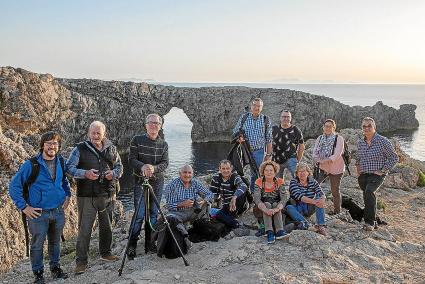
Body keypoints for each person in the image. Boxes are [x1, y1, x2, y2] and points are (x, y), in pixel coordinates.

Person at [9, 131, 70, 284]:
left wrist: (67, 195)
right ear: (43, 145)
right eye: (48, 143)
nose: (52, 146)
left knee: (55, 242)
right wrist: (24, 207)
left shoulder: (61, 162)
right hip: (38, 214)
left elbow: (64, 181)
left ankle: (56, 269)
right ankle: (38, 274)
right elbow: (14, 186)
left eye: (55, 143)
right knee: (37, 245)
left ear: (58, 146)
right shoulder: (32, 164)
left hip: (57, 211)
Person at [66, 121, 123, 274]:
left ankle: (106, 253)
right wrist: (85, 174)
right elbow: (69, 168)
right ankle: (81, 262)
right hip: (86, 196)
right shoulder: (79, 149)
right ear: (88, 133)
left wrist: (114, 174)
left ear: (104, 134)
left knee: (107, 227)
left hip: (107, 194)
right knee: (84, 229)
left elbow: (119, 167)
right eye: (93, 133)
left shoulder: (112, 148)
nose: (96, 136)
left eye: (99, 133)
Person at [127, 113, 169, 258]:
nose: (153, 125)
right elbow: (131, 159)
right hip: (140, 182)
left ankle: (150, 243)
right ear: (145, 125)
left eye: (156, 123)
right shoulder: (137, 140)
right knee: (139, 214)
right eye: (150, 122)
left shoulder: (163, 144)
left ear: (160, 126)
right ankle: (132, 244)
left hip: (157, 183)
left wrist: (153, 168)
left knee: (153, 213)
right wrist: (143, 166)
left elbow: (165, 163)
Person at [356, 117, 398, 231]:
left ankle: (369, 222)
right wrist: (358, 170)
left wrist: (382, 170)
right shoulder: (360, 142)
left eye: (369, 125)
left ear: (374, 127)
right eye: (364, 126)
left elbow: (394, 157)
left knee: (369, 192)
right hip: (363, 175)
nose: (366, 128)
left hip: (377, 175)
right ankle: (375, 219)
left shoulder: (383, 141)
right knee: (367, 196)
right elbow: (358, 158)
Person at [164, 165, 214, 246]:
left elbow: (210, 194)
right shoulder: (171, 185)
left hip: (192, 212)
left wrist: (204, 200)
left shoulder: (195, 182)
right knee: (170, 218)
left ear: (193, 174)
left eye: (189, 173)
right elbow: (168, 206)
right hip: (178, 213)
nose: (187, 175)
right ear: (179, 174)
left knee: (207, 203)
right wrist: (182, 204)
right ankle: (184, 235)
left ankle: (201, 226)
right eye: (185, 172)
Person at [232, 98, 273, 190]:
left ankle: (254, 194)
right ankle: (238, 191)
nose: (256, 108)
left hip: (259, 152)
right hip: (244, 150)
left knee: (257, 174)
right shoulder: (244, 117)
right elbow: (235, 131)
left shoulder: (266, 120)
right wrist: (239, 138)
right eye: (254, 105)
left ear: (262, 108)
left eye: (259, 106)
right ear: (251, 106)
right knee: (237, 171)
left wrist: (269, 155)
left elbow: (269, 138)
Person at [312, 119, 345, 214]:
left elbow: (337, 155)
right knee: (313, 185)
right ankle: (310, 207)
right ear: (323, 127)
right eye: (326, 126)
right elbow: (315, 152)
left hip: (336, 169)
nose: (328, 128)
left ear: (334, 128)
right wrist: (315, 159)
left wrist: (323, 160)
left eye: (330, 126)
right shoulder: (320, 138)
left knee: (335, 190)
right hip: (322, 168)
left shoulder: (339, 138)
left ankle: (337, 211)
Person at [253, 161, 290, 244]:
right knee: (267, 204)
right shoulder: (259, 182)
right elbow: (257, 199)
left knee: (275, 204)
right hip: (262, 207)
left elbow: (284, 198)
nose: (269, 172)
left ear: (274, 171)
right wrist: (266, 210)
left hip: (277, 206)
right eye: (266, 170)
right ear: (263, 171)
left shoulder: (280, 181)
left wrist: (277, 209)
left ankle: (279, 231)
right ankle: (269, 231)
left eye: (271, 170)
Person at [286, 163, 327, 236]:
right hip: (297, 207)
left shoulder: (313, 181)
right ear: (297, 173)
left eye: (304, 171)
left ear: (308, 172)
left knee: (319, 198)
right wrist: (315, 202)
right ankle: (307, 225)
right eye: (300, 171)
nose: (302, 173)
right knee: (289, 207)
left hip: (309, 207)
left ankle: (321, 225)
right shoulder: (293, 182)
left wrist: (323, 198)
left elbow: (320, 192)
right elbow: (300, 196)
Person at [209, 160, 247, 229]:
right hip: (226, 204)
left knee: (224, 216)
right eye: (223, 168)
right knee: (217, 214)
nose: (225, 171)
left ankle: (235, 223)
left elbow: (243, 186)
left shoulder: (235, 177)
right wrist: (209, 201)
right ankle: (235, 223)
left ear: (231, 168)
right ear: (219, 168)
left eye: (227, 168)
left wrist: (234, 197)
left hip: (237, 202)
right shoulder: (216, 178)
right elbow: (212, 193)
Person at [272, 110, 305, 178]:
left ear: (291, 118)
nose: (286, 119)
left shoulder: (295, 130)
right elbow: (268, 142)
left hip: (291, 159)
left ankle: (297, 188)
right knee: (277, 182)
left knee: (297, 178)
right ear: (280, 118)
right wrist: (269, 155)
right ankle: (280, 189)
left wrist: (298, 159)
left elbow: (301, 146)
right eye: (284, 117)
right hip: (277, 160)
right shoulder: (274, 129)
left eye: (288, 117)